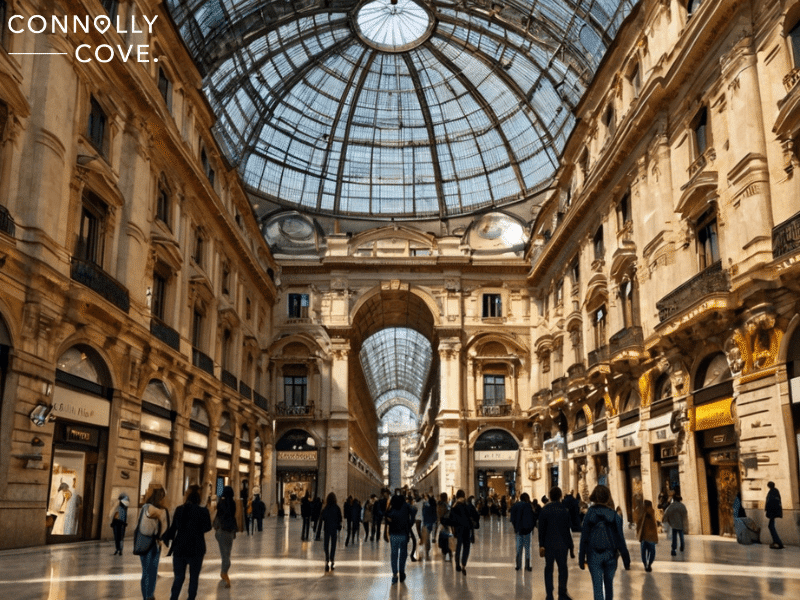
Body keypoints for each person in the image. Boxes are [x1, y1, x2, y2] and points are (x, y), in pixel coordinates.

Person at [579, 485, 630, 600]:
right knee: (609, 586)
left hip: (593, 555)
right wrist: (626, 559)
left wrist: (581, 558)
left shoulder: (589, 515)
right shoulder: (614, 515)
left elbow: (584, 538)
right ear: (607, 497)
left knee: (597, 589)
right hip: (611, 555)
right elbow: (620, 539)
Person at [163, 485, 212, 600]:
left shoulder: (180, 509)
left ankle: (173, 598)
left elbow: (173, 528)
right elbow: (208, 527)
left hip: (180, 547)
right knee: (194, 578)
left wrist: (165, 538)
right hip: (197, 548)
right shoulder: (203, 511)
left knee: (179, 577)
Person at [538, 486, 575, 600]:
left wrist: (541, 545)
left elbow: (541, 530)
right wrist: (571, 547)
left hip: (548, 545)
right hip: (562, 545)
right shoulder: (564, 510)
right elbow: (567, 529)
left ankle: (549, 594)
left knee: (548, 569)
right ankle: (562, 593)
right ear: (560, 496)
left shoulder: (545, 510)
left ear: (549, 496)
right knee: (563, 569)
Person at [138, 487, 169, 600]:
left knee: (145, 571)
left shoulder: (145, 507)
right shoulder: (161, 510)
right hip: (154, 544)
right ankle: (150, 596)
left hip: (142, 542)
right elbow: (164, 528)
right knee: (152, 571)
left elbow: (139, 524)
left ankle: (145, 597)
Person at [448, 489, 480, 576]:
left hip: (458, 530)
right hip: (467, 530)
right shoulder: (468, 505)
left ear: (457, 496)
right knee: (466, 547)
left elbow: (450, 520)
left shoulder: (454, 507)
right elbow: (477, 515)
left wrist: (453, 530)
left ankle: (457, 564)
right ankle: (463, 565)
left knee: (458, 547)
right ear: (464, 496)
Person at [385, 493, 412, 584]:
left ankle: (394, 575)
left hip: (394, 535)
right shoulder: (406, 506)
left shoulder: (392, 508)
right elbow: (414, 511)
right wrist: (409, 524)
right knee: (403, 555)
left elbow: (387, 518)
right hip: (403, 534)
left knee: (394, 555)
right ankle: (401, 571)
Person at [214, 485, 237, 587]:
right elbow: (233, 517)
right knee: (227, 553)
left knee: (224, 554)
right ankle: (224, 572)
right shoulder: (233, 504)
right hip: (230, 531)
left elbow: (218, 516)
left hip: (221, 531)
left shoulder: (221, 503)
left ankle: (224, 573)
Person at [510, 493, 535, 571]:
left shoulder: (515, 506)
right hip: (527, 531)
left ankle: (518, 565)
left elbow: (512, 518)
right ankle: (527, 566)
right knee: (527, 549)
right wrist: (531, 528)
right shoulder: (529, 506)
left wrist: (515, 527)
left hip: (519, 530)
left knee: (518, 548)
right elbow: (532, 518)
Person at [320, 492, 342, 571]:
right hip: (334, 528)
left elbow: (322, 517)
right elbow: (340, 518)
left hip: (327, 528)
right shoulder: (337, 508)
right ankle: (332, 560)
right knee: (333, 545)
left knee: (326, 544)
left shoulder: (326, 508)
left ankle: (327, 559)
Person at [636, 499, 658, 571]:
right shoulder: (645, 512)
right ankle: (647, 564)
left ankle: (647, 564)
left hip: (647, 537)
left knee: (646, 552)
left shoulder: (649, 511)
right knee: (649, 551)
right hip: (647, 537)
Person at [765, 481, 784, 549]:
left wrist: (769, 511)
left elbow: (771, 502)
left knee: (771, 526)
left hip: (773, 513)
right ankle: (776, 541)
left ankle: (778, 542)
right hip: (773, 512)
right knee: (771, 526)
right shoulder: (774, 491)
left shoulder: (773, 492)